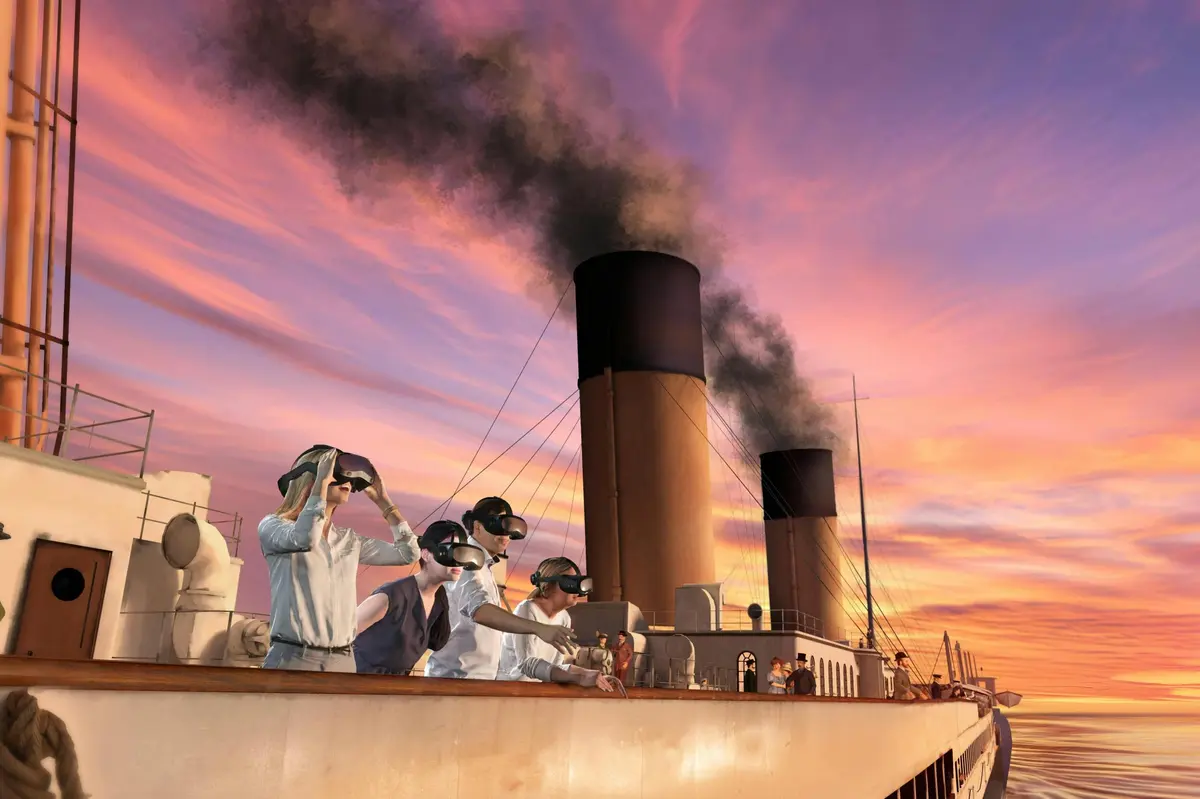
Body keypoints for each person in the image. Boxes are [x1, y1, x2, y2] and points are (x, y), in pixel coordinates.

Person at [259, 445, 419, 672]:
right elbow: (306, 538)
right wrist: (320, 486)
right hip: (294, 657)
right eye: (335, 472)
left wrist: (384, 502)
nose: (347, 481)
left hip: (343, 659)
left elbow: (408, 553)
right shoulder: (273, 526)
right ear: (311, 477)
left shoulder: (348, 540)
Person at [425, 496, 577, 679]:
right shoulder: (466, 561)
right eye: (497, 526)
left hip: (475, 679)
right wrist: (539, 628)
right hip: (455, 678)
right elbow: (480, 610)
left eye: (509, 529)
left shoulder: (483, 566)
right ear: (477, 526)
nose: (505, 535)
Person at [352, 520, 485, 675]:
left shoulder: (440, 600)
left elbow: (436, 643)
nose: (458, 561)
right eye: (449, 551)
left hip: (396, 690)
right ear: (426, 554)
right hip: (357, 684)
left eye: (462, 553)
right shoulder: (391, 596)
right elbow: (344, 636)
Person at [498, 557, 618, 691]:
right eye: (570, 582)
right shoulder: (527, 609)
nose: (577, 590)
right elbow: (526, 664)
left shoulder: (564, 618)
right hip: (510, 690)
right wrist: (577, 678)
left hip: (538, 692)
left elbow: (555, 667)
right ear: (548, 585)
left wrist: (588, 674)